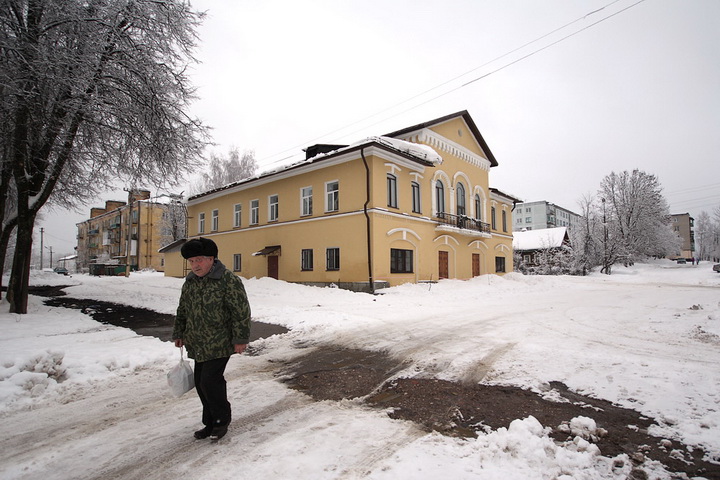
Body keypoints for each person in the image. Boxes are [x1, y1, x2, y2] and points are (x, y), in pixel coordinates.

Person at [172, 237, 251, 441]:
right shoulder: (190, 283)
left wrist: (240, 338)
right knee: (200, 382)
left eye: (199, 260)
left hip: (220, 341)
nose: (195, 265)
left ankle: (221, 420)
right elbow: (183, 310)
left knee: (210, 381)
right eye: (191, 261)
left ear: (211, 259)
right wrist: (179, 332)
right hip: (198, 342)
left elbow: (240, 311)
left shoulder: (228, 280)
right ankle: (209, 422)